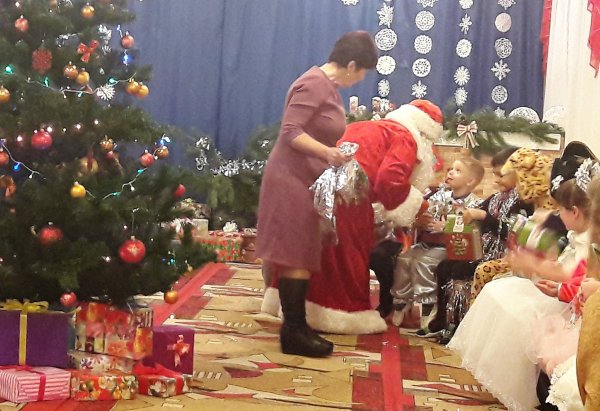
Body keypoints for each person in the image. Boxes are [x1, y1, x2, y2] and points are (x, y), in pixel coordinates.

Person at [261, 99, 445, 334]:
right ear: (425, 136)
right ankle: (338, 314)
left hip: (315, 186)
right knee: (346, 257)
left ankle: (287, 307)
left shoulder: (364, 126)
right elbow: (390, 180)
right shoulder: (405, 138)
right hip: (349, 197)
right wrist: (419, 206)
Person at [255, 31, 378, 357]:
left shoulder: (327, 88)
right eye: (362, 71)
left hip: (305, 179)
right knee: (296, 253)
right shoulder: (313, 84)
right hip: (290, 179)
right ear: (351, 65)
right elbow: (290, 132)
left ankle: (295, 328)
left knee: (302, 252)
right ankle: (293, 330)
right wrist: (329, 153)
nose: (361, 79)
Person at [447, 143, 596, 411]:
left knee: (520, 315)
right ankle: (499, 378)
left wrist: (536, 266)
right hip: (560, 290)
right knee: (498, 292)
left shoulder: (584, 240)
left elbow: (570, 273)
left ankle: (525, 390)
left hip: (568, 302)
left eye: (561, 210)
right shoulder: (570, 231)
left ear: (574, 212)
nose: (557, 213)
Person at [414, 147, 533, 337]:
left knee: (461, 270)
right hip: (482, 250)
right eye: (495, 174)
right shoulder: (495, 198)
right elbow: (473, 217)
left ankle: (459, 322)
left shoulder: (524, 203)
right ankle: (442, 319)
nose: (496, 180)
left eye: (501, 175)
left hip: (504, 255)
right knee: (445, 266)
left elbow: (517, 234)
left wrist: (484, 216)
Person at [389, 157, 485, 328]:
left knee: (424, 263)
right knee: (404, 259)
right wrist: (419, 221)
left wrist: (446, 226)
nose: (451, 173)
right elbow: (421, 216)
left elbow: (473, 232)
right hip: (426, 242)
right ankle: (401, 302)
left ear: (470, 181)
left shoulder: (475, 204)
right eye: (451, 169)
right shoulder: (438, 196)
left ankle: (427, 305)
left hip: (448, 247)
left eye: (458, 171)